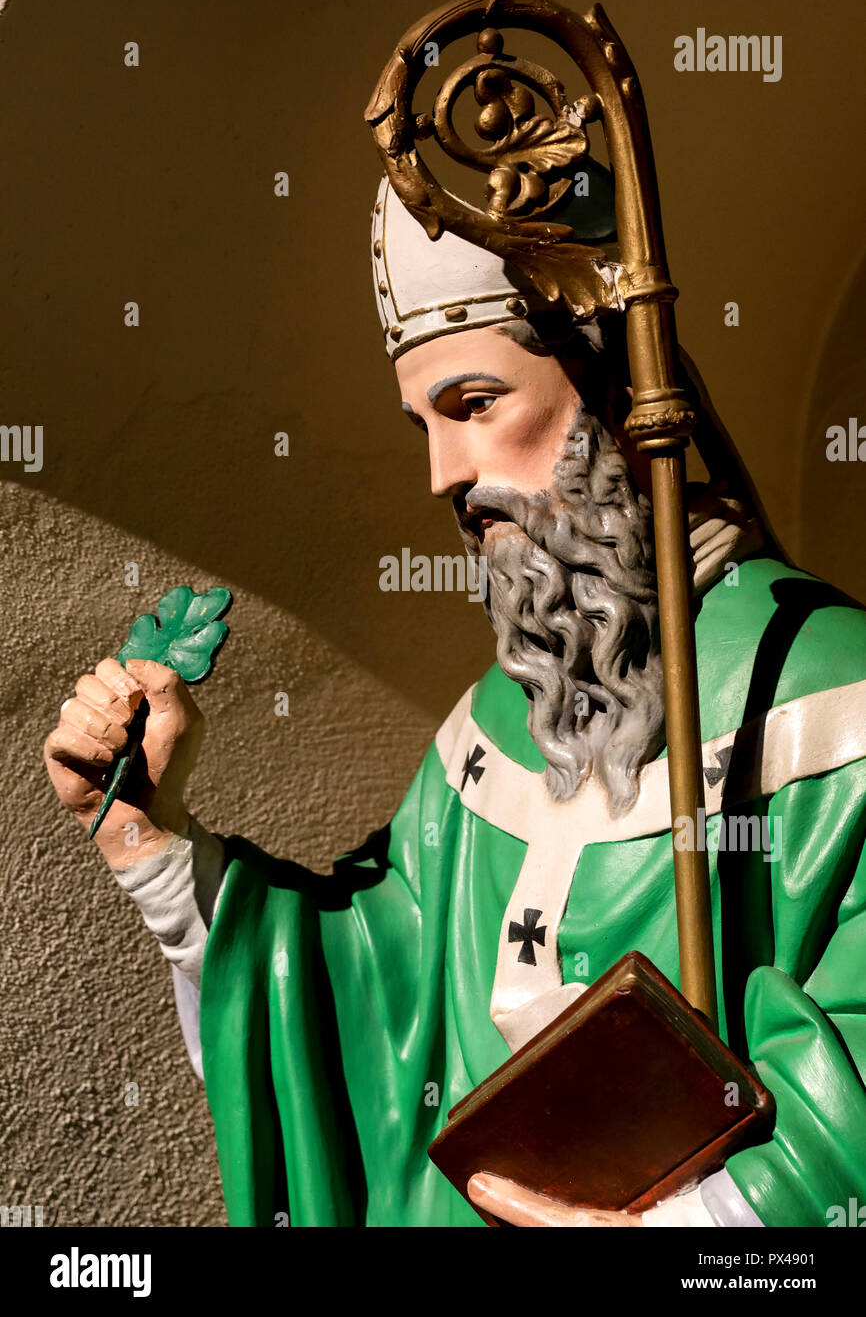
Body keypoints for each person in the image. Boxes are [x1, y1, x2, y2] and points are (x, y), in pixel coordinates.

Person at [43, 169, 866, 1229]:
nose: (444, 473)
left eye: (474, 406)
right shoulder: (491, 729)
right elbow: (372, 1005)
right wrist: (157, 852)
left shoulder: (824, 702)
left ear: (617, 393)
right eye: (420, 425)